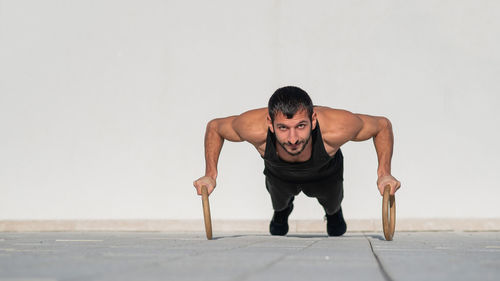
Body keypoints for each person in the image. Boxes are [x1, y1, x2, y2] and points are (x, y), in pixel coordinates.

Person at [193, 86, 401, 236]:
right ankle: (282, 213)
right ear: (270, 124)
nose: (293, 139)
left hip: (326, 174)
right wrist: (211, 174)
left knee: (333, 209)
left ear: (313, 120)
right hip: (279, 175)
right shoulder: (252, 127)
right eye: (283, 128)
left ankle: (334, 213)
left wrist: (384, 173)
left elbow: (381, 126)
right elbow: (215, 127)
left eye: (301, 126)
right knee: (280, 205)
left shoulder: (337, 126)